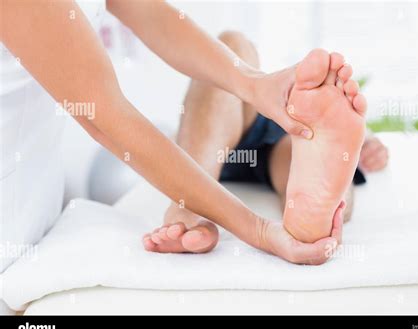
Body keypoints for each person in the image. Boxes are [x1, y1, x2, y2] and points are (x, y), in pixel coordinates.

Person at [0, 0, 345, 271]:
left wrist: (255, 84)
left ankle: (306, 188)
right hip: (9, 233)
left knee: (237, 59)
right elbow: (105, 117)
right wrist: (257, 230)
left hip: (35, 209)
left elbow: (153, 14)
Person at [143, 31, 388, 253]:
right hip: (237, 131)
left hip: (262, 132)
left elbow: (343, 125)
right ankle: (319, 205)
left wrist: (367, 142)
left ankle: (190, 208)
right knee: (234, 46)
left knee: (302, 146)